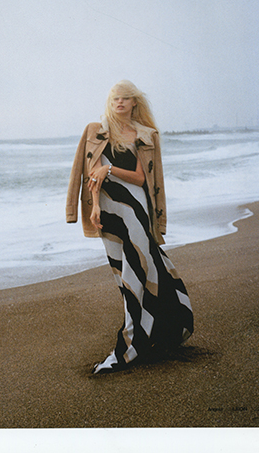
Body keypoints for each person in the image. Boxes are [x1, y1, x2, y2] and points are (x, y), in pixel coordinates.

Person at [66, 80, 193, 374]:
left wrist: (109, 168)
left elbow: (141, 179)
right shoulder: (95, 131)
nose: (119, 103)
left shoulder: (145, 134)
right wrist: (94, 208)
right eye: (115, 99)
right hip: (109, 211)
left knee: (135, 271)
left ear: (135, 102)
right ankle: (154, 332)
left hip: (135, 210)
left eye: (125, 98)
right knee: (121, 274)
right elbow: (90, 177)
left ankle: (130, 345)